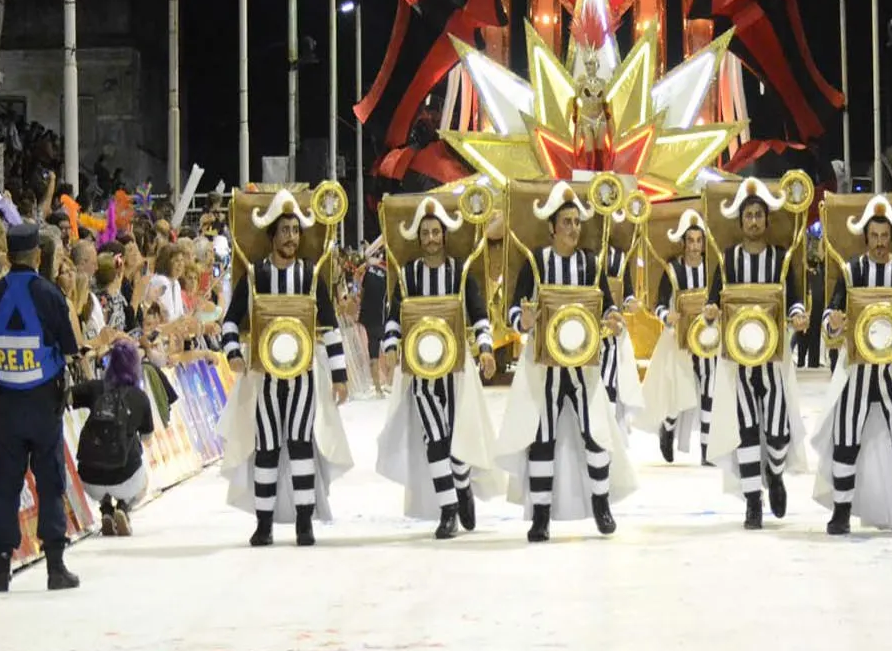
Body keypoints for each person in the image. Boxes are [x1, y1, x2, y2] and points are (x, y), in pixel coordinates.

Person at [496, 182, 638, 542]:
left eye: (577, 222)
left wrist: (613, 320)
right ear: (552, 227)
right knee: (541, 438)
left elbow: (607, 306)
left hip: (584, 367)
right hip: (544, 368)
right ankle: (541, 515)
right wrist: (523, 322)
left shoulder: (591, 264)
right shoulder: (535, 262)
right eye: (567, 222)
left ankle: (601, 506)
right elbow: (513, 310)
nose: (574, 228)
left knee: (596, 435)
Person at [217, 190, 352, 548]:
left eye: (296, 229)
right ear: (272, 236)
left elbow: (331, 328)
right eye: (285, 230)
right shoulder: (255, 276)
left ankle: (304, 523)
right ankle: (263, 524)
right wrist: (233, 353)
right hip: (264, 377)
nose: (291, 236)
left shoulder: (311, 276)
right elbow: (229, 322)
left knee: (300, 444)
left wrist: (340, 376)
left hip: (304, 376)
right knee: (266, 447)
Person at [375, 198, 499, 538]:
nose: (431, 238)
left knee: (458, 440)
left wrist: (486, 350)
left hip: (458, 371)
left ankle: (463, 488)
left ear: (444, 236)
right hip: (422, 373)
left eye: (436, 232)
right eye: (425, 233)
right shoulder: (408, 275)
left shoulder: (461, 273)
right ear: (419, 238)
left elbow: (480, 315)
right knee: (436, 438)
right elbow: (394, 318)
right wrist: (389, 347)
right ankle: (448, 510)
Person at [815, 196, 892, 537]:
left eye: (885, 236)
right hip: (856, 369)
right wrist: (835, 322)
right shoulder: (851, 270)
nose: (881, 243)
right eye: (875, 236)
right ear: (866, 238)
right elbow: (830, 313)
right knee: (846, 437)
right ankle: (840, 512)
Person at [0, 221, 81, 591]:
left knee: (6, 484)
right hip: (43, 402)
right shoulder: (49, 294)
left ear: (7, 256)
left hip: (6, 402)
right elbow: (70, 346)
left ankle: (1, 567)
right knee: (50, 481)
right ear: (38, 255)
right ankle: (55, 565)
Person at [704, 180, 810, 530]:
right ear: (740, 222)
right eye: (747, 215)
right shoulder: (728, 259)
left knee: (778, 431)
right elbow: (712, 300)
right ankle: (753, 502)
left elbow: (794, 296)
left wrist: (798, 314)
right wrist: (710, 313)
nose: (752, 221)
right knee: (747, 429)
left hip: (774, 358)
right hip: (738, 360)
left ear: (766, 221)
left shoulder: (781, 259)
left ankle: (775, 473)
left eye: (758, 216)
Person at [636, 209, 714, 465]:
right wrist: (666, 316)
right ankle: (667, 428)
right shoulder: (672, 270)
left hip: (707, 340)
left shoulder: (712, 269)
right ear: (682, 242)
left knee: (709, 391)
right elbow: (658, 304)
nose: (694, 246)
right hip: (678, 340)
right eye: (690, 240)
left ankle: (707, 450)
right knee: (678, 395)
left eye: (698, 240)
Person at [71, 338, 156, 536]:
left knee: (101, 464)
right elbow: (147, 438)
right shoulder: (139, 397)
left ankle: (106, 509)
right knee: (142, 482)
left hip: (89, 478)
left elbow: (66, 396)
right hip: (125, 476)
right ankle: (123, 507)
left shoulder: (96, 388)